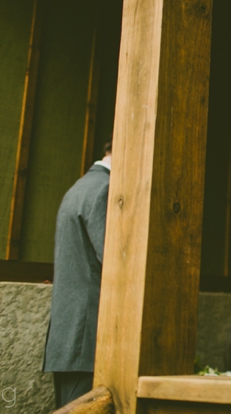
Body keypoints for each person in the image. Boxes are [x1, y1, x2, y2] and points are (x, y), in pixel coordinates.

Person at [43, 141, 111, 407]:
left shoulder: (79, 188)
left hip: (69, 336)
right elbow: (114, 262)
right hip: (86, 338)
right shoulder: (104, 190)